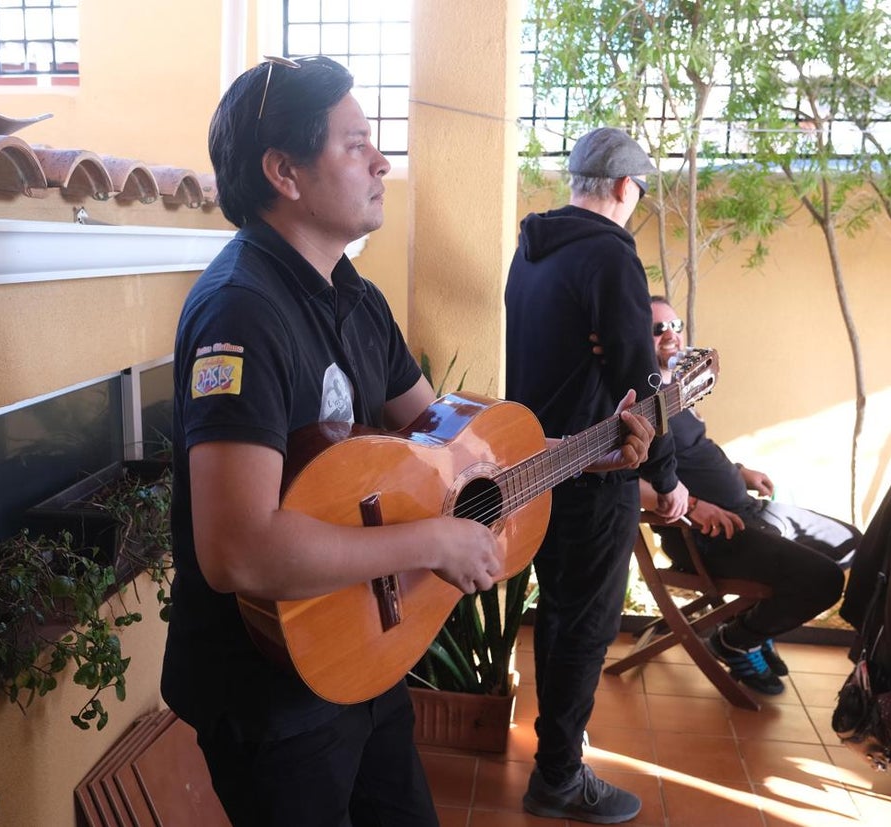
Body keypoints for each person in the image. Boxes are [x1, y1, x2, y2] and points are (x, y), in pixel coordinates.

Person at [161, 59, 656, 827]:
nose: (382, 160)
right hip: (269, 689)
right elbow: (239, 549)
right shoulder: (243, 314)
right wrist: (433, 540)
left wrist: (586, 448)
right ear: (283, 171)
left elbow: (458, 446)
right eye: (355, 143)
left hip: (364, 653)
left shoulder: (356, 298)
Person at [505, 127, 689, 824]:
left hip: (536, 464)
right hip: (596, 468)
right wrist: (665, 475)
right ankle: (558, 775)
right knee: (583, 625)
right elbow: (640, 381)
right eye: (638, 190)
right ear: (621, 186)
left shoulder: (532, 252)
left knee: (556, 615)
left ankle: (557, 754)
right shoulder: (610, 256)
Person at [642, 296, 861, 695]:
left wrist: (739, 472)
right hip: (708, 534)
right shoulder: (636, 400)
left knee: (851, 544)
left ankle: (750, 624)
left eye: (676, 326)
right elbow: (627, 481)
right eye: (658, 329)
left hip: (748, 508)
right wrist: (690, 506)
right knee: (824, 580)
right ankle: (736, 639)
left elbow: (694, 451)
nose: (671, 336)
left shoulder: (674, 388)